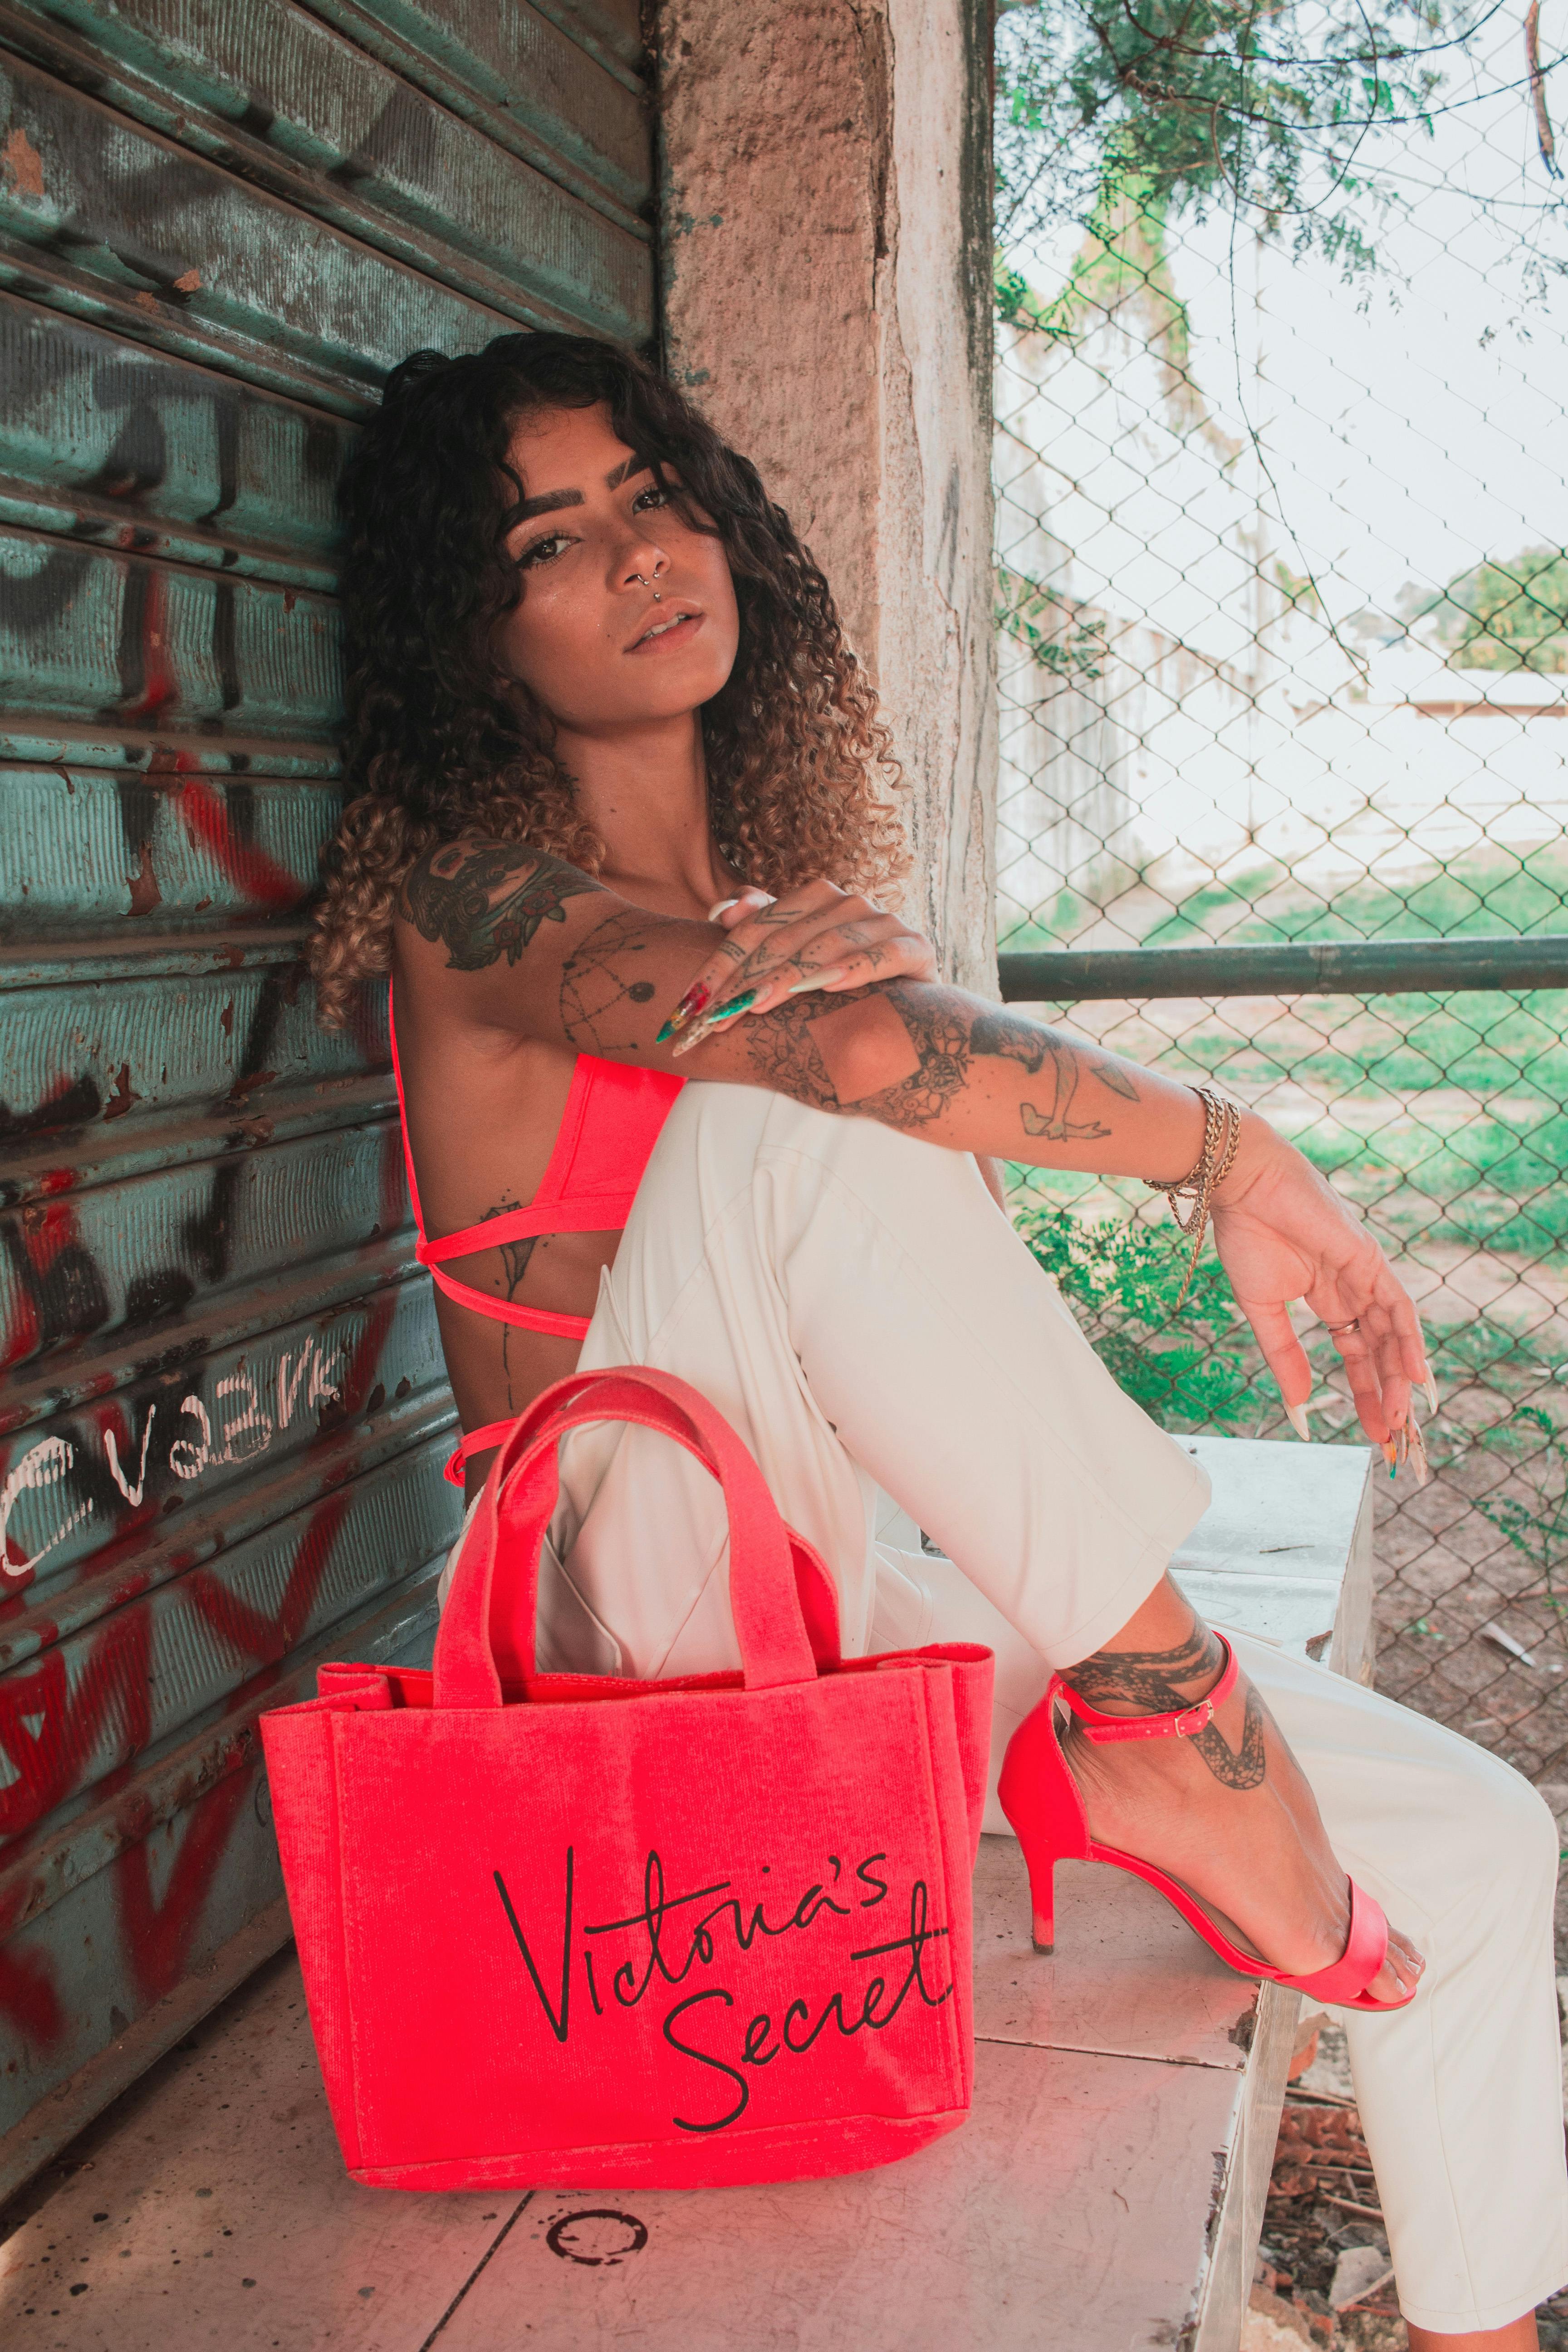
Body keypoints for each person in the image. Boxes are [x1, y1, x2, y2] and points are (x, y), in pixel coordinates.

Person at [310, 331, 1565, 2345]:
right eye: (555, 538)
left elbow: (912, 1215)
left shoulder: (785, 912)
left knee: (1486, 1847)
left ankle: (1481, 2332)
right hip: (606, 1630)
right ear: (475, 637)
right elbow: (858, 1071)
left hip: (825, 1595)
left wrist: (885, 1041)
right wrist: (1240, 1160)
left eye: (655, 493)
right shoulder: (477, 911)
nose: (638, 553)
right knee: (778, 1108)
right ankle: (1166, 1731)